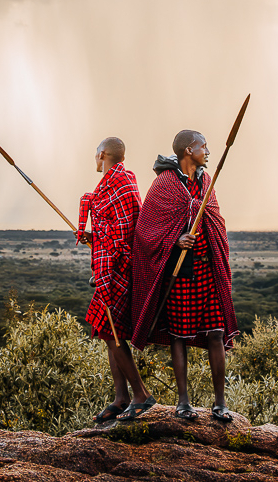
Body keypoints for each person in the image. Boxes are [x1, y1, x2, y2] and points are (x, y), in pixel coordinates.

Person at [131, 130, 238, 422]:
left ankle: (220, 404)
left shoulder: (206, 181)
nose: (208, 151)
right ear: (189, 149)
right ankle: (183, 403)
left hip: (207, 268)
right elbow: (146, 230)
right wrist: (175, 240)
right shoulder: (164, 183)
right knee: (179, 336)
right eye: (204, 146)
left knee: (216, 333)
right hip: (180, 272)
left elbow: (215, 219)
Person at [77, 136, 155, 422]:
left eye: (96, 154)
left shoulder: (120, 183)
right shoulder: (120, 181)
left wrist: (104, 268)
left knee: (113, 334)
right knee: (108, 332)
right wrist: (93, 236)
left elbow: (123, 233)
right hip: (112, 264)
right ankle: (121, 397)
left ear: (103, 154)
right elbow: (111, 227)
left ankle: (141, 395)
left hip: (117, 269)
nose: (94, 159)